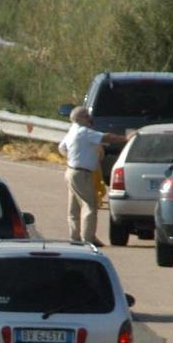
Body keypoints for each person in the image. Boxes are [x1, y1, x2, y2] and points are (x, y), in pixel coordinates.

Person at [58, 105, 126, 246]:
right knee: (90, 205)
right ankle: (88, 239)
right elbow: (107, 137)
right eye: (87, 116)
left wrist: (72, 157)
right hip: (81, 173)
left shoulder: (72, 130)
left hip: (72, 171)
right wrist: (125, 138)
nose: (90, 118)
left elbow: (61, 147)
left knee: (74, 207)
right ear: (82, 118)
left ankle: (75, 237)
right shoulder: (84, 132)